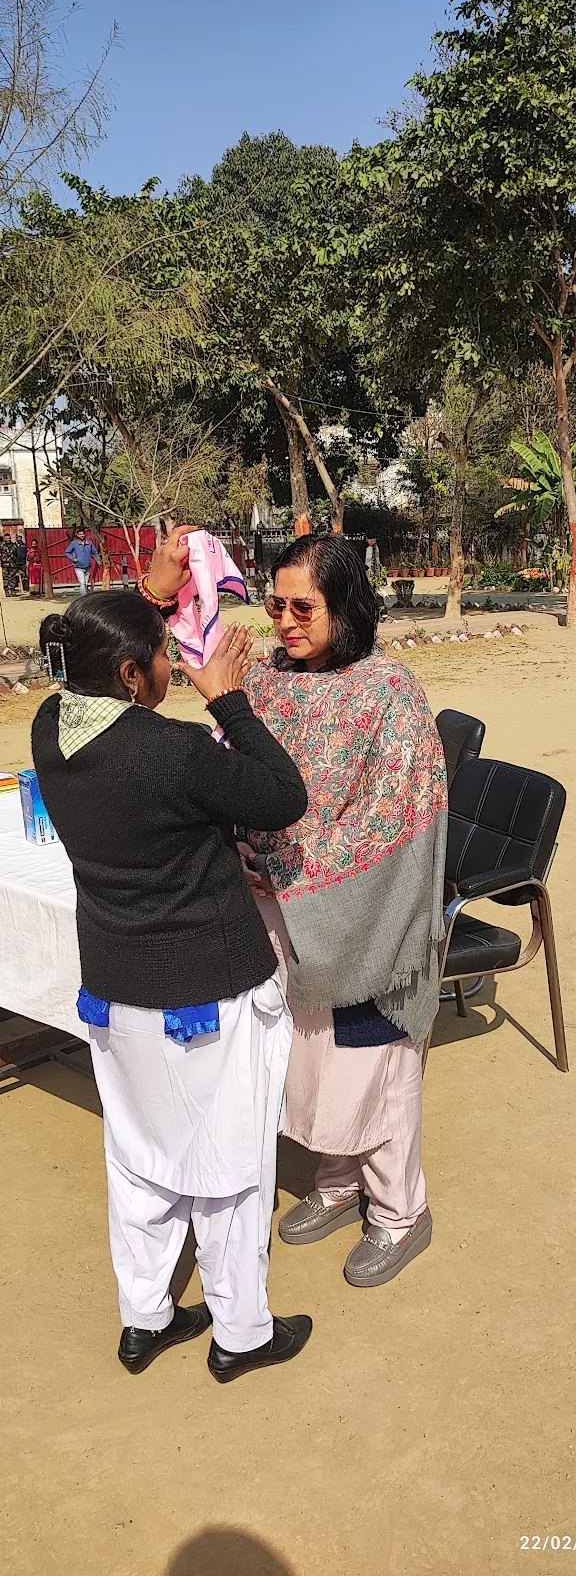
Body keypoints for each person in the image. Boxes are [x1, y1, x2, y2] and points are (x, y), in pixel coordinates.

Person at [32, 526, 312, 1383]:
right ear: (131, 677)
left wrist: (153, 597)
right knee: (229, 1165)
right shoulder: (176, 752)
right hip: (208, 988)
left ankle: (145, 1317)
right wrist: (227, 699)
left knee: (140, 1158)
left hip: (116, 990)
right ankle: (242, 1332)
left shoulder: (52, 728)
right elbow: (282, 796)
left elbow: (95, 662)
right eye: (160, 655)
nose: (170, 665)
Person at [240, 534, 448, 1288]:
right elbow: (231, 767)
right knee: (309, 1055)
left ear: (347, 606)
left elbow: (394, 816)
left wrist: (291, 867)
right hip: (281, 913)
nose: (285, 622)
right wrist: (242, 841)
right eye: (276, 606)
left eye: (304, 608)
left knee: (371, 1059)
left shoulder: (389, 692)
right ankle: (336, 1181)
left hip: (362, 912)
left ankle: (399, 1211)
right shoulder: (266, 679)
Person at [65, 527, 102, 595]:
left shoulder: (89, 543)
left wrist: (98, 560)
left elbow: (95, 552)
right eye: (80, 534)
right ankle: (83, 597)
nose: (81, 535)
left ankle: (84, 595)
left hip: (88, 566)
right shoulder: (74, 543)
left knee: (85, 583)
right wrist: (73, 559)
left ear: (85, 534)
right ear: (77, 535)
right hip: (78, 566)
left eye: (82, 534)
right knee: (82, 583)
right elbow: (67, 552)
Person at [0, 531, 18, 595]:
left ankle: (12, 590)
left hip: (12, 564)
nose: (8, 539)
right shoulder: (1, 546)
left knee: (12, 578)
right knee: (5, 578)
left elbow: (16, 554)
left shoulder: (14, 545)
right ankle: (7, 591)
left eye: (9, 538)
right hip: (4, 564)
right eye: (7, 538)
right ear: (4, 539)